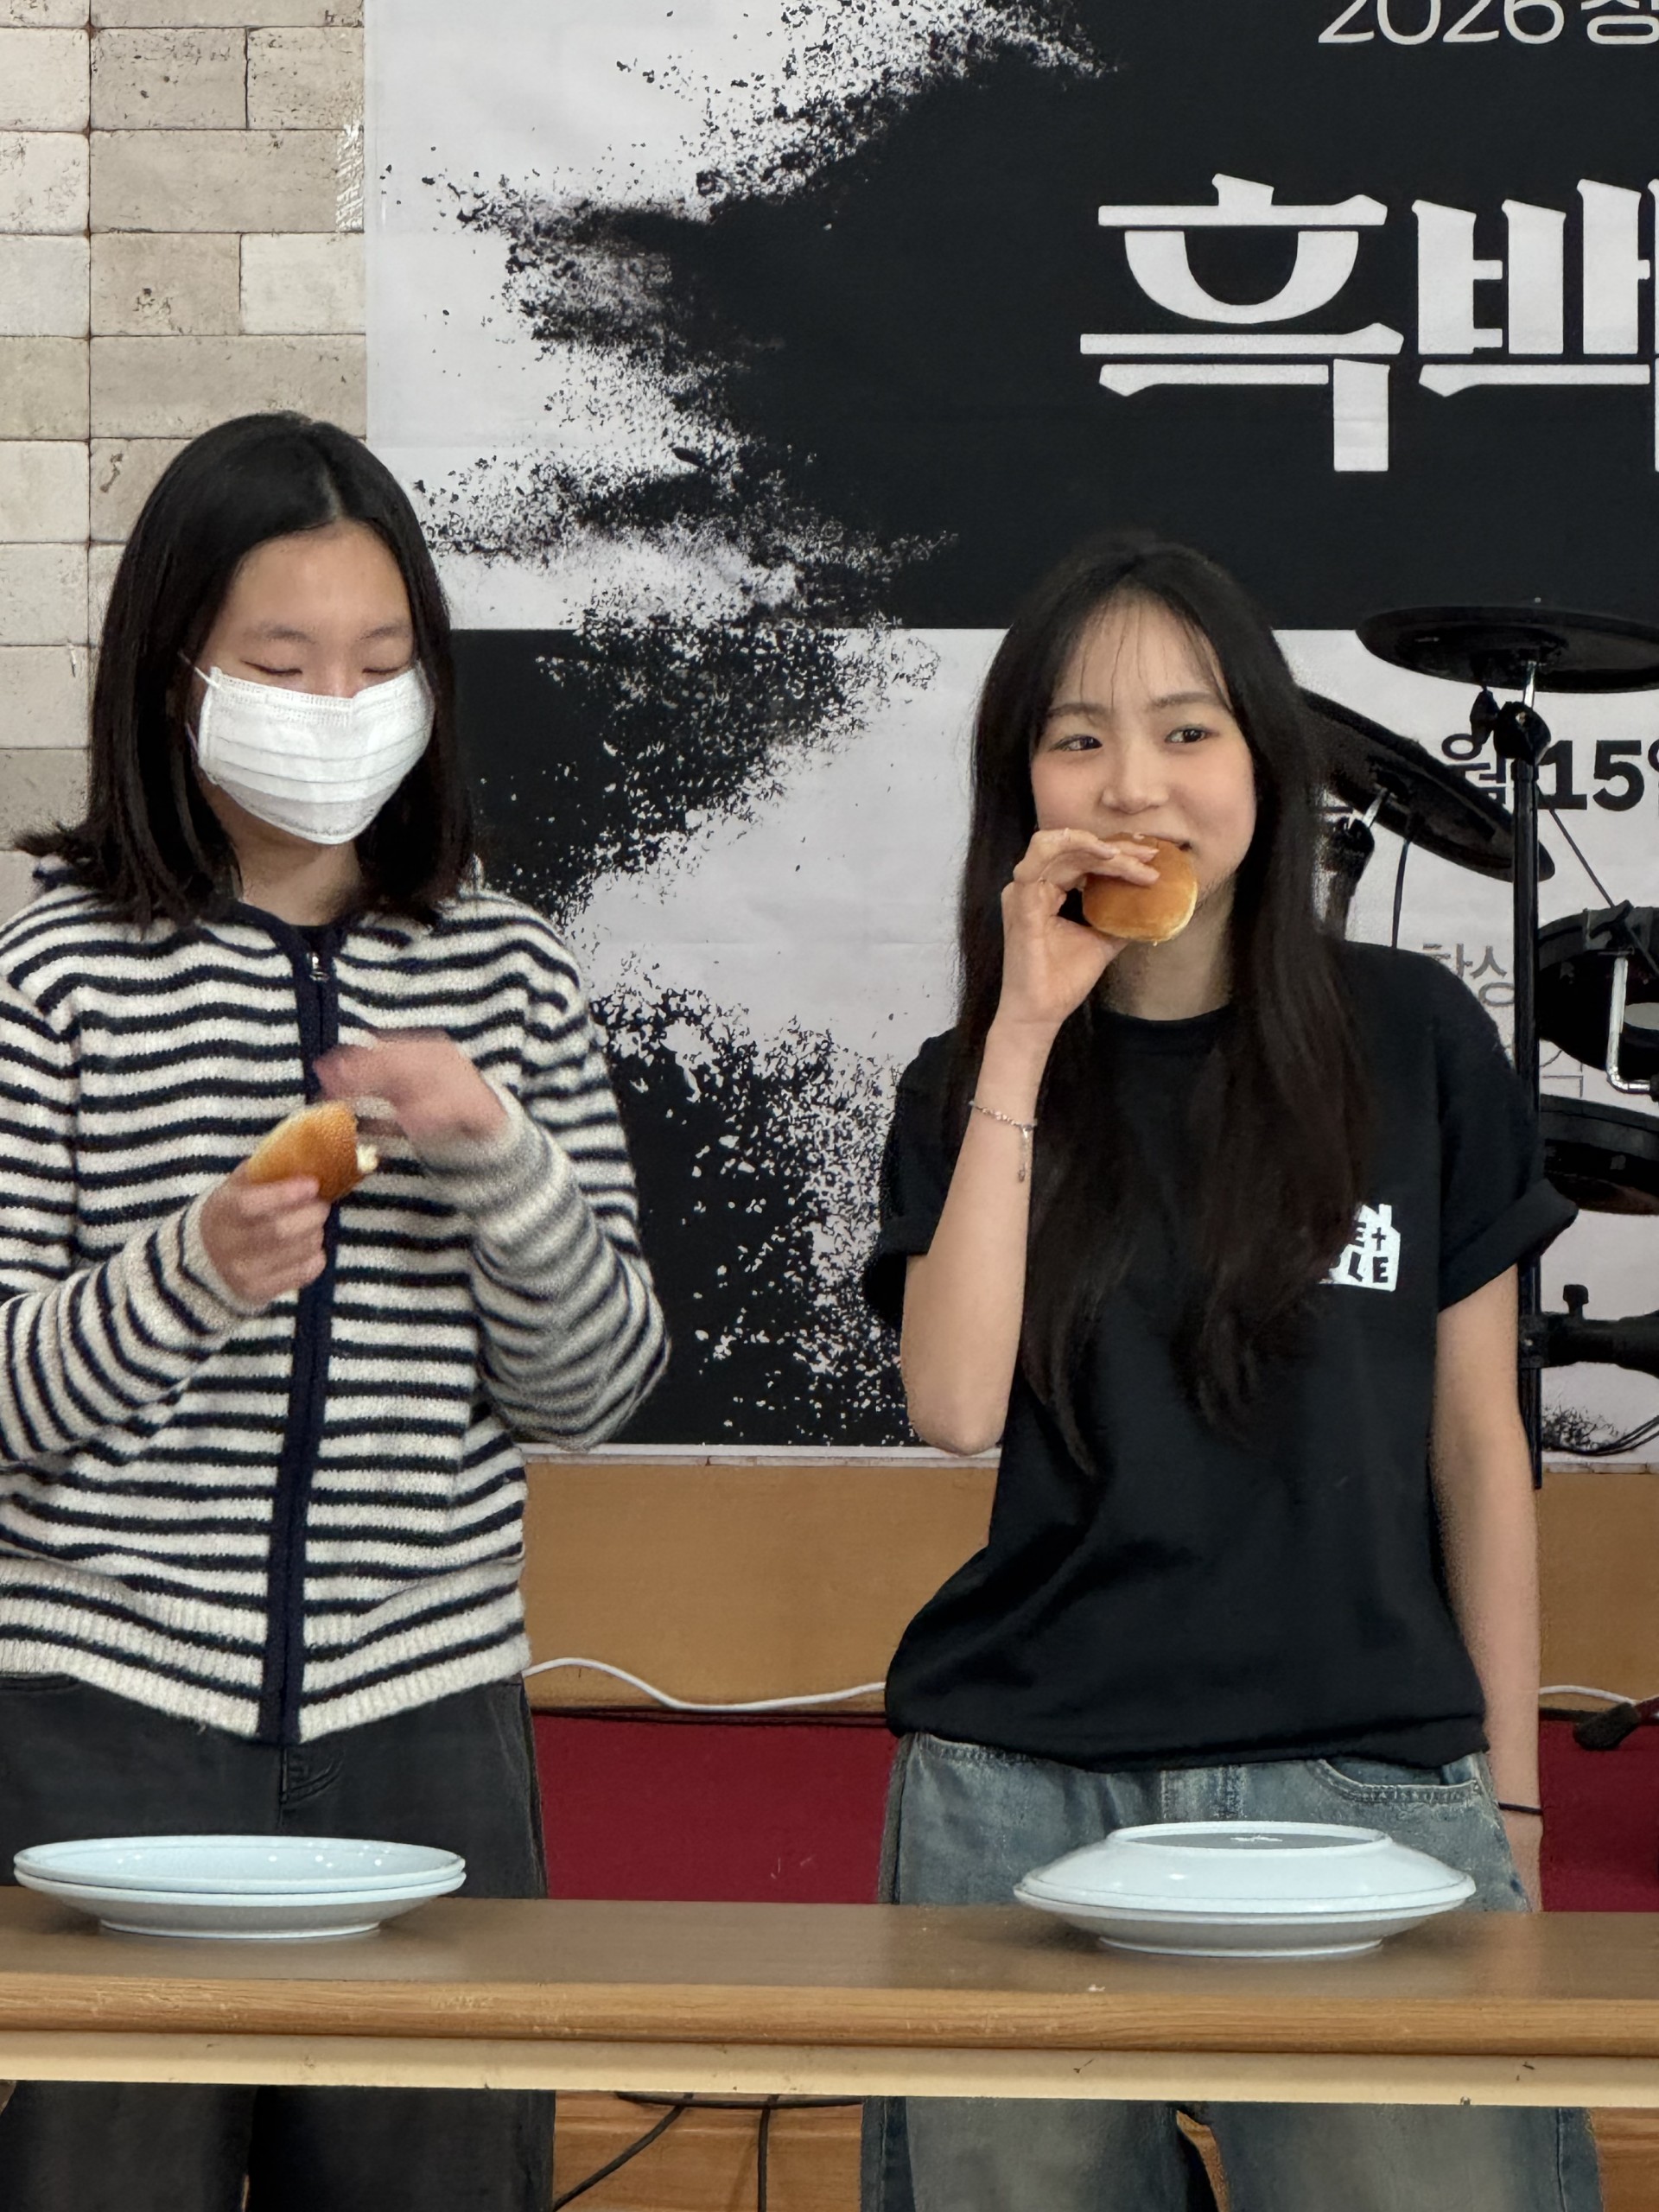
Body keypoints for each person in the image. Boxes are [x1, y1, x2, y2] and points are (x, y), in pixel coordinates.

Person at [861, 533, 1600, 2212]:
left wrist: (1514, 1804)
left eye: (1187, 729)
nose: (1136, 782)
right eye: (1079, 738)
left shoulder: (1415, 1039)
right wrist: (1027, 1031)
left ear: (1265, 756)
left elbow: (1479, 1450)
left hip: (1368, 1785)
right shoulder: (968, 1078)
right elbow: (954, 1407)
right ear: (1021, 786)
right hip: (1020, 1787)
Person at [0, 412, 666, 2211]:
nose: (337, 703)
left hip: (426, 1714)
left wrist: (500, 1158)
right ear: (176, 675)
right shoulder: (54, 975)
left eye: (379, 661)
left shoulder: (510, 970)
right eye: (282, 662)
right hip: (99, 1715)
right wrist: (192, 1273)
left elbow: (596, 1388)